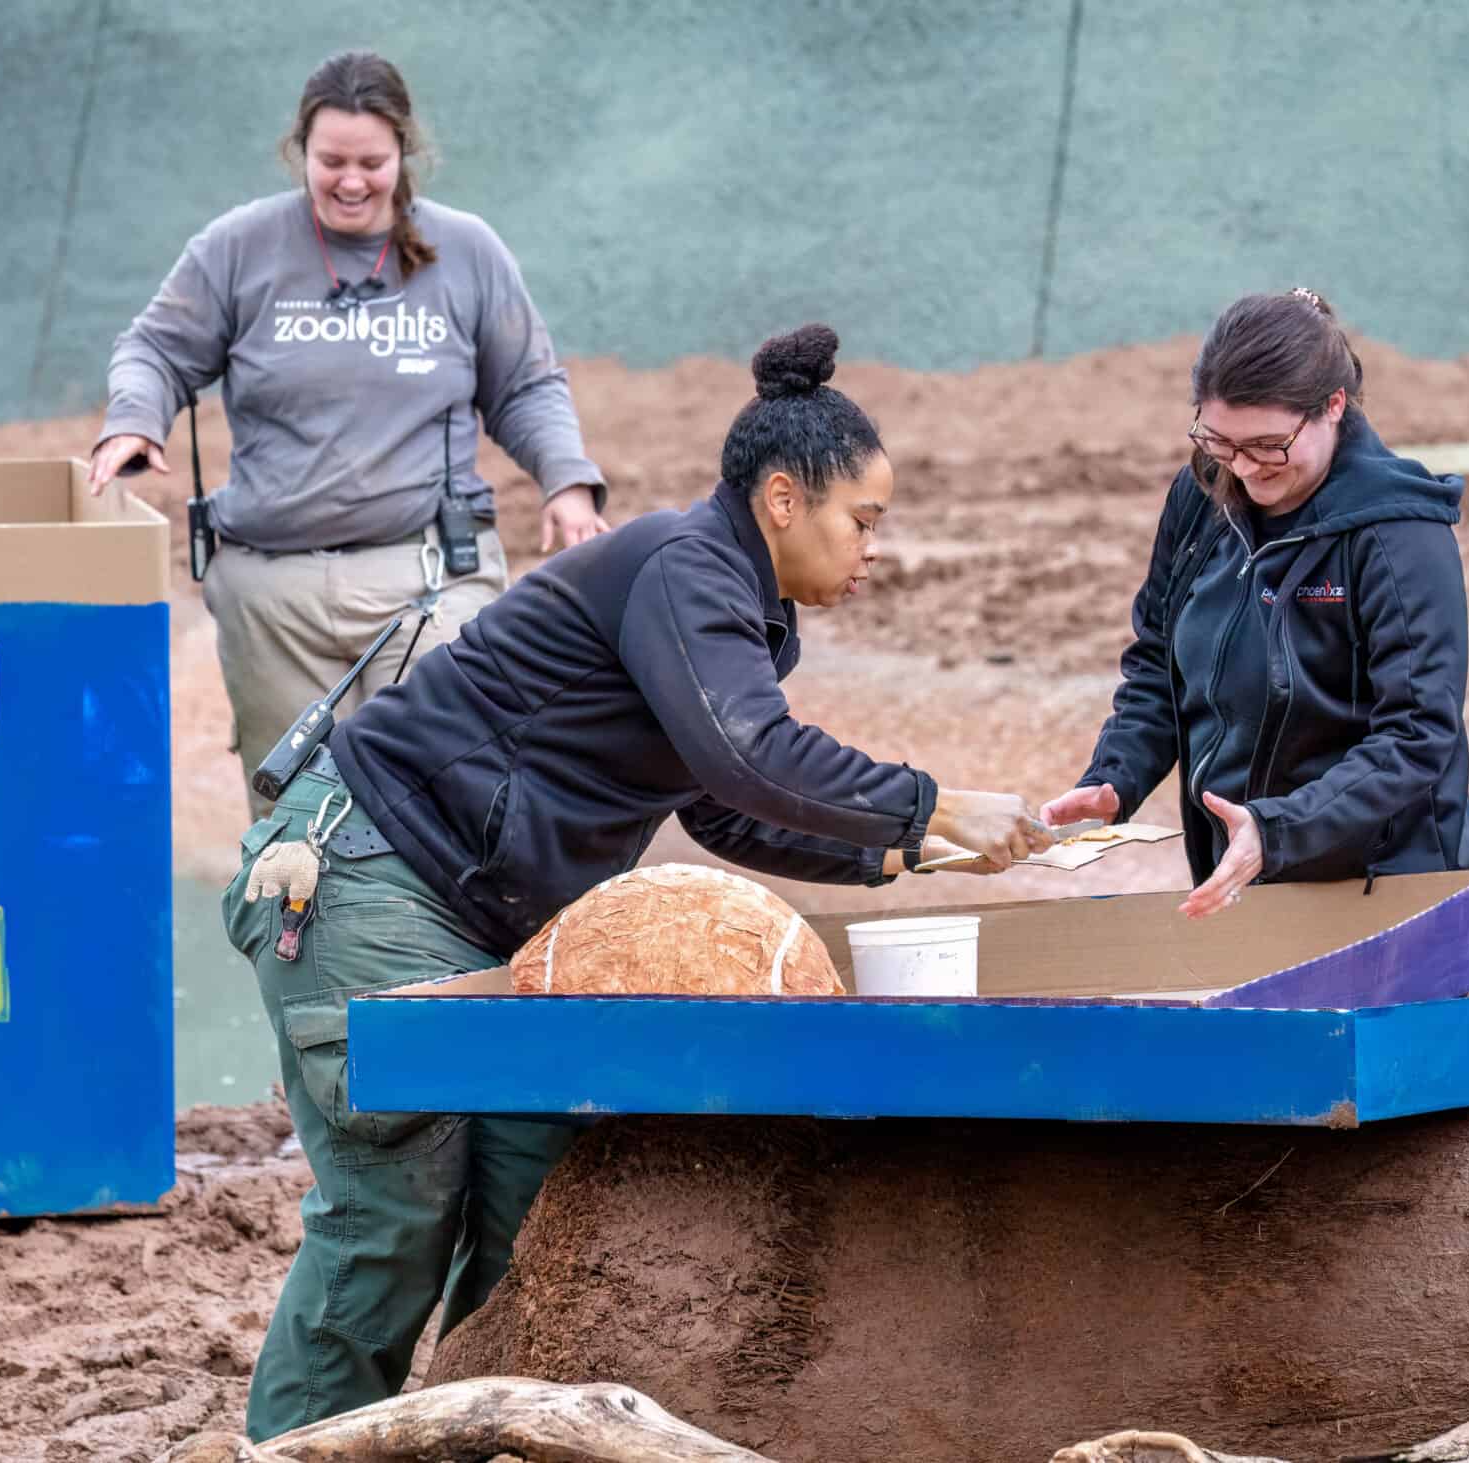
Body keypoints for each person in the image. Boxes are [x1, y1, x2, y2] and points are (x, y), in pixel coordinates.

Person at [223, 323, 1051, 1439]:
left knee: (533, 1206)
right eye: (863, 518)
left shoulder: (742, 613)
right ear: (779, 499)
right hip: (372, 870)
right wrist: (933, 801)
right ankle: (285, 1450)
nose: (871, 550)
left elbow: (716, 802)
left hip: (488, 920)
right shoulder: (683, 566)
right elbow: (744, 755)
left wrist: (903, 850)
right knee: (391, 1216)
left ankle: (478, 1438)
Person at [88, 49, 608, 816]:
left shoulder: (466, 252)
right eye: (331, 160)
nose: (352, 180)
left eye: (373, 160)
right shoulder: (239, 247)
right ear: (301, 152)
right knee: (293, 833)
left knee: (440, 806)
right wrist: (133, 420)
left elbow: (526, 384)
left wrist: (566, 481)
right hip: (273, 598)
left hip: (427, 580)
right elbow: (157, 348)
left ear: (406, 154)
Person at [1041, 287, 1469, 919]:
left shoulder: (1400, 536)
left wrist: (1278, 830)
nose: (1245, 469)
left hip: (1382, 885)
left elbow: (1416, 734)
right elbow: (1161, 661)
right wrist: (1118, 775)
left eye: (1269, 446)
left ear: (1333, 406)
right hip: (1244, 867)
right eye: (1220, 442)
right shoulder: (1200, 495)